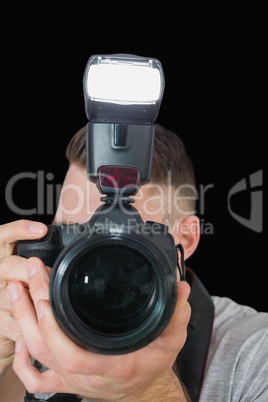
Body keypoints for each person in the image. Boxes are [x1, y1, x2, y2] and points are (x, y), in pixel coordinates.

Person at [0, 124, 267, 401]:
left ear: (184, 241)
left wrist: (149, 391)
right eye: (74, 236)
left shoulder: (256, 351)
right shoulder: (30, 327)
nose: (93, 265)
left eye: (123, 242)